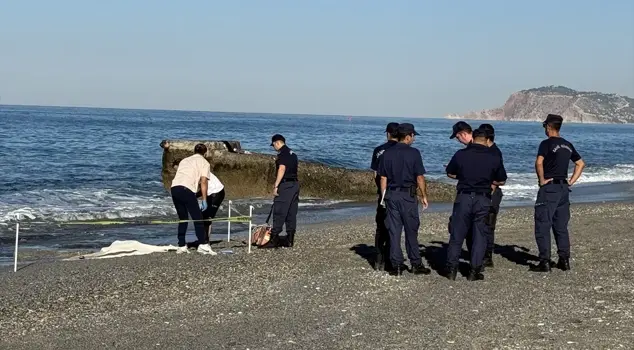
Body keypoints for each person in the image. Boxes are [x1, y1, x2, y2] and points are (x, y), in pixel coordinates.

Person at [445, 127, 507, 281]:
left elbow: (450, 172)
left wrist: (464, 176)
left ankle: (451, 269)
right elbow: (502, 180)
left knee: (457, 233)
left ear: (474, 138)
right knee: (480, 234)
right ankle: (474, 270)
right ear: (486, 140)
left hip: (464, 197)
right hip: (482, 198)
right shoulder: (493, 157)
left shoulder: (461, 154)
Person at [531, 114, 585, 272]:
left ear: (548, 127)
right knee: (561, 226)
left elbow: (539, 162)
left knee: (543, 224)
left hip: (550, 188)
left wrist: (541, 180)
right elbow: (580, 164)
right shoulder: (567, 145)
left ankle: (545, 261)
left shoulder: (546, 144)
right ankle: (564, 259)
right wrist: (571, 181)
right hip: (563, 188)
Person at [378, 123, 432, 276]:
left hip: (392, 194)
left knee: (394, 231)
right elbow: (419, 177)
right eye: (413, 136)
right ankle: (415, 263)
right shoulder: (414, 153)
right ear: (408, 136)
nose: (413, 139)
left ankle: (396, 265)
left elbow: (383, 177)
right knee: (411, 230)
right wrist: (424, 195)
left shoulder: (386, 153)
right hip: (408, 196)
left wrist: (383, 196)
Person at [170, 143, 215, 255]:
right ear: (205, 153)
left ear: (194, 151)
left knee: (183, 217)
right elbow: (203, 181)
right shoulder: (204, 162)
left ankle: (181, 245)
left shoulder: (184, 160)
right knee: (198, 218)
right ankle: (203, 244)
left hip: (174, 188)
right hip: (187, 188)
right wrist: (204, 199)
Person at [261, 134, 300, 249]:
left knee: (279, 210)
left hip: (286, 185)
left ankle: (274, 239)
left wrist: (276, 185)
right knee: (291, 212)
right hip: (295, 185)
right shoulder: (293, 154)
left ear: (277, 143)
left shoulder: (282, 154)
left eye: (273, 145)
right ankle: (290, 238)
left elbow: (282, 169)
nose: (274, 148)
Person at [370, 122, 399, 271]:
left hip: (383, 192)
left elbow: (375, 173)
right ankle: (391, 258)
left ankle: (378, 259)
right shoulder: (404, 150)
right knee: (395, 226)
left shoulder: (378, 150)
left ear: (387, 133)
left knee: (381, 226)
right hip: (399, 192)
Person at [478, 123, 504, 267]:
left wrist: (491, 189)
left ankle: (487, 256)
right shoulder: (490, 151)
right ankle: (484, 254)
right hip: (489, 192)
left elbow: (498, 177)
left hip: (491, 193)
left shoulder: (493, 152)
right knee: (485, 225)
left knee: (488, 225)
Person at [196, 171, 226, 241]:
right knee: (202, 216)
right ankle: (204, 239)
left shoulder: (200, 171)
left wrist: (195, 195)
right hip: (210, 193)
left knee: (207, 218)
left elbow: (203, 187)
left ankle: (205, 241)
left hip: (217, 192)